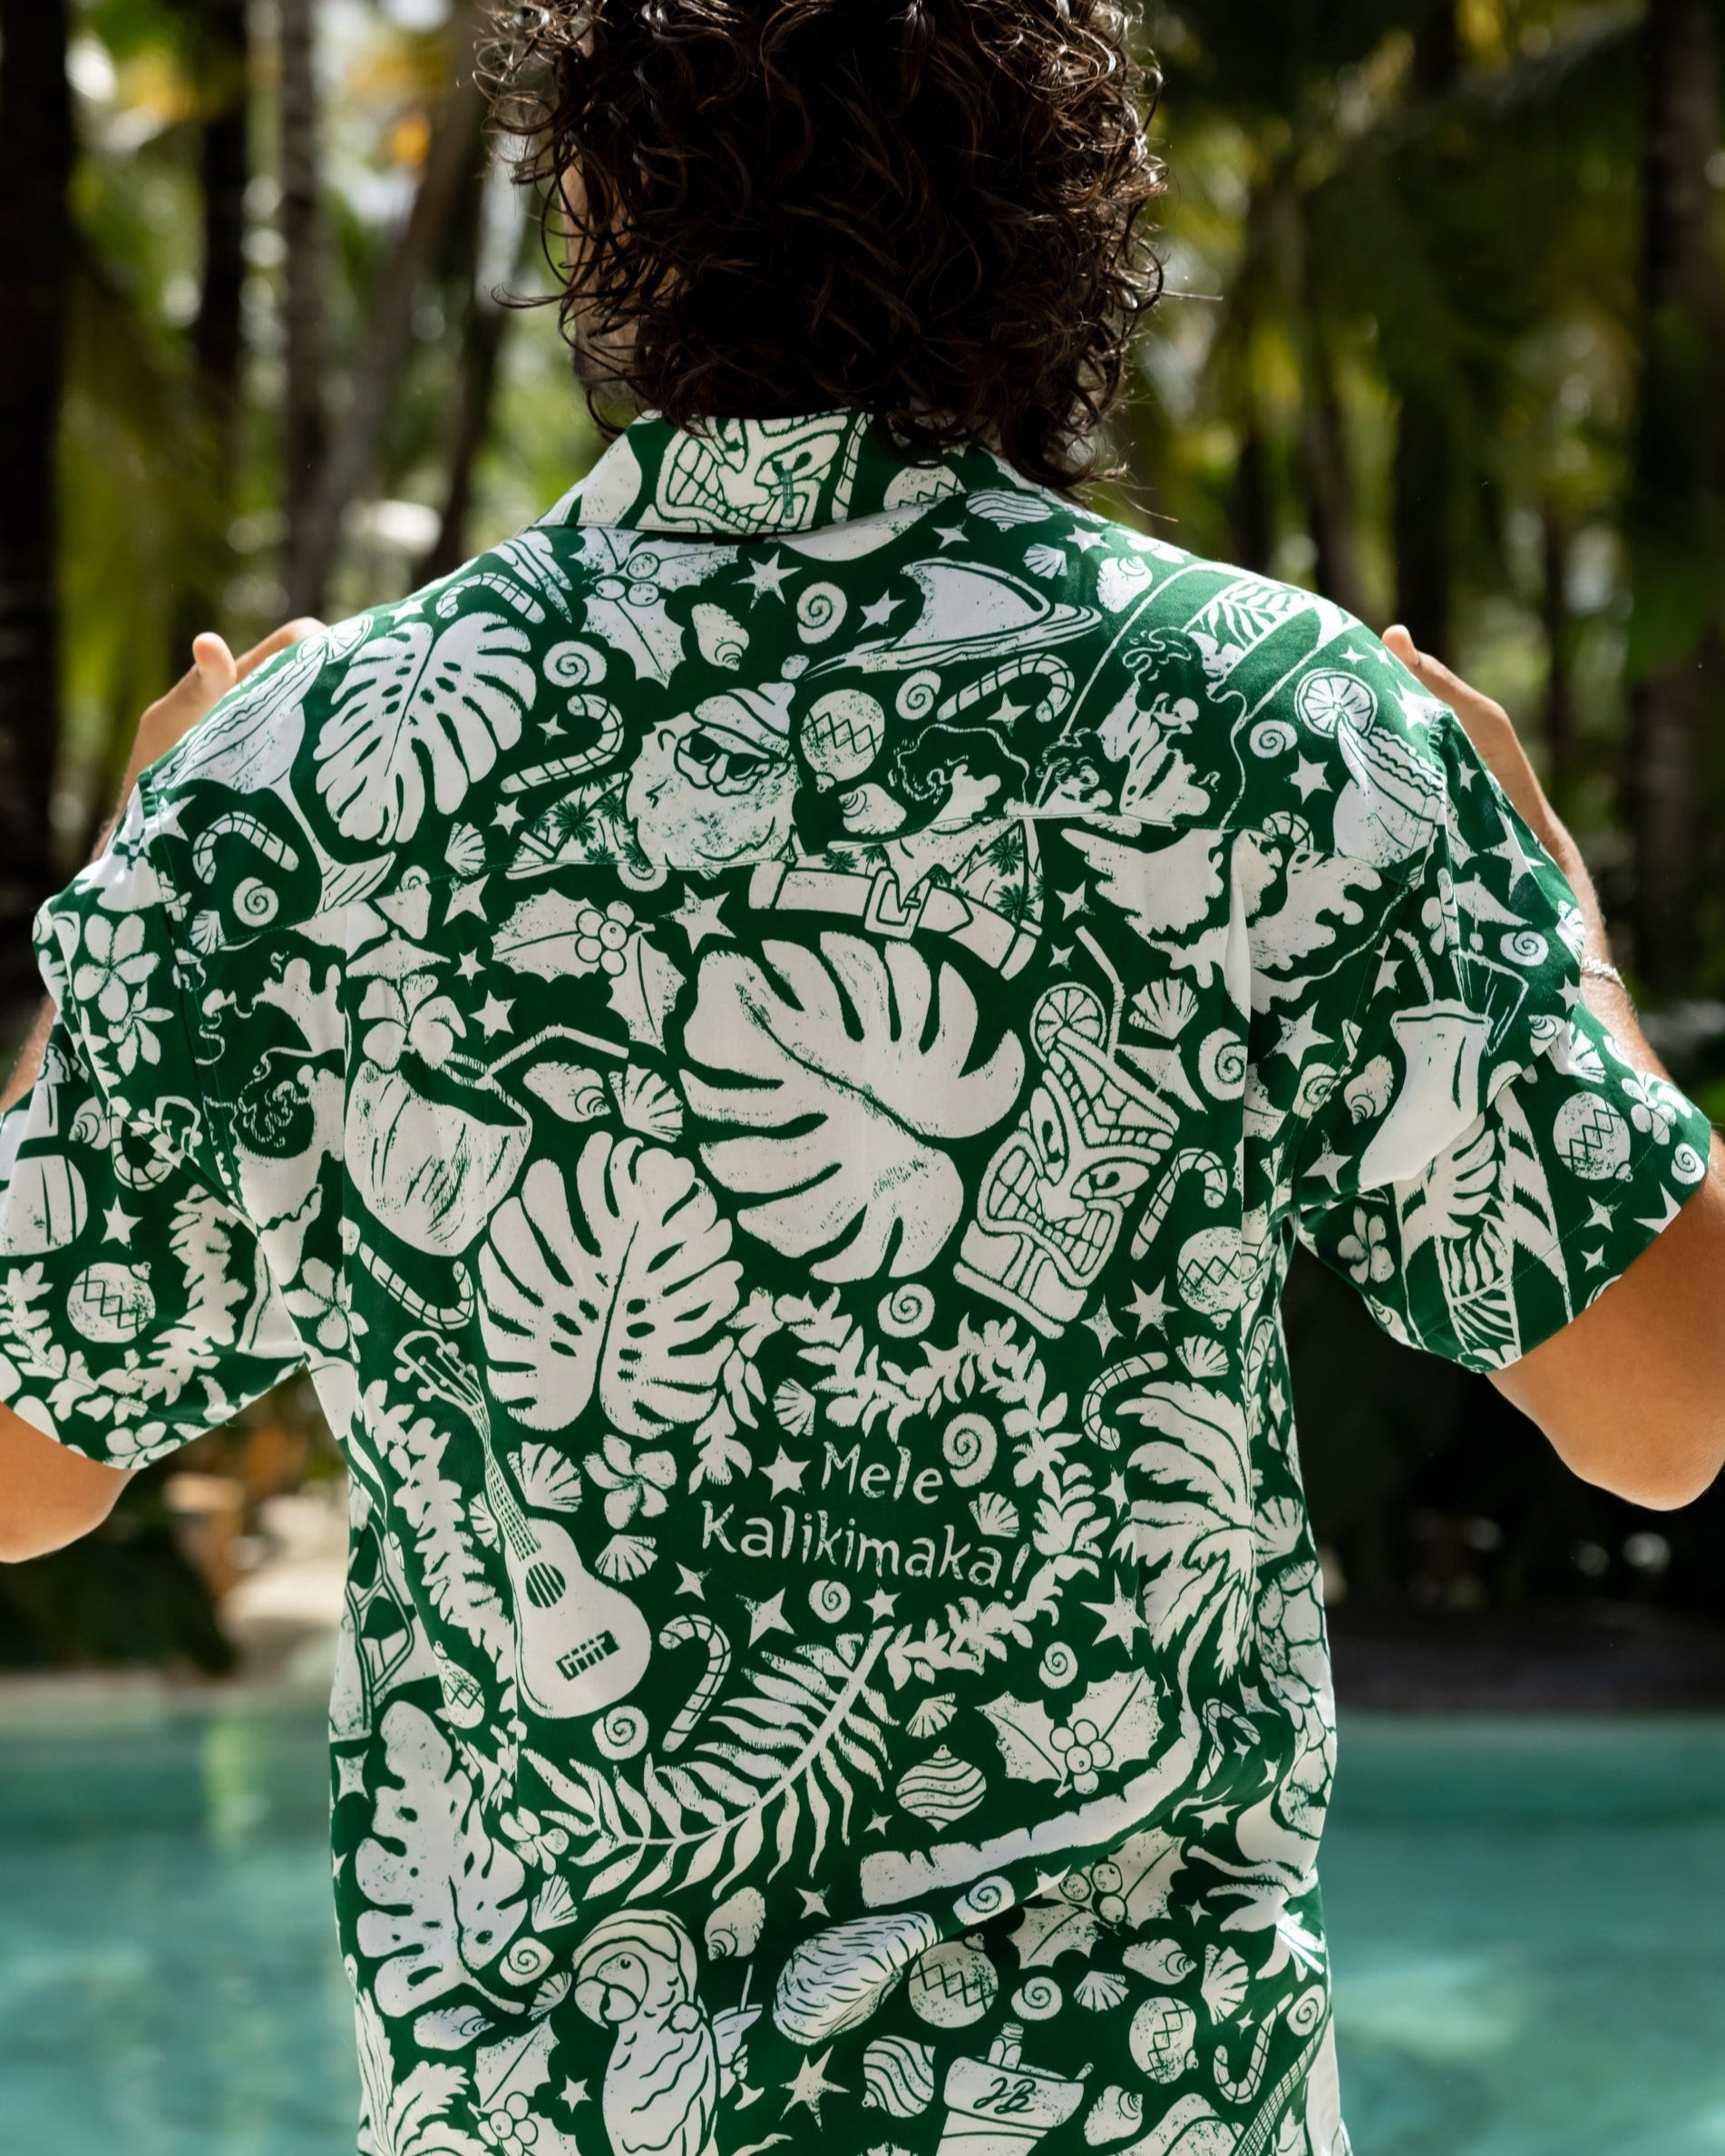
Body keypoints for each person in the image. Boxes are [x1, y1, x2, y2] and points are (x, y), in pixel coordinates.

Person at [4, 5, 1723, 2151]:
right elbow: (1673, 1414)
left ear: (603, 208)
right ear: (1071, 224)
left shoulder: (306, 784)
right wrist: (1549, 915)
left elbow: (18, 1457)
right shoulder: (1281, 737)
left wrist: (131, 903)